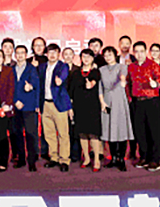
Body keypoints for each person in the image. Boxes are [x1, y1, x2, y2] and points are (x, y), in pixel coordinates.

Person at [127, 41, 160, 172]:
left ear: (146, 52)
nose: (139, 54)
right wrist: (130, 98)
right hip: (137, 102)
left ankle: (155, 159)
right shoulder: (131, 67)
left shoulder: (153, 65)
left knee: (153, 131)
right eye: (136, 51)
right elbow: (128, 84)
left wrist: (156, 84)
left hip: (151, 101)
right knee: (140, 131)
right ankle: (144, 157)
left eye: (141, 51)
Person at [98, 46, 134, 172]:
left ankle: (121, 159)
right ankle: (113, 158)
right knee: (110, 129)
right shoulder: (101, 69)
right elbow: (100, 87)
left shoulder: (122, 67)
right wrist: (102, 102)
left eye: (110, 54)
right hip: (107, 100)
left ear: (115, 55)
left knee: (121, 129)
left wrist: (123, 80)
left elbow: (123, 77)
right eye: (105, 55)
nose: (108, 57)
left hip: (119, 100)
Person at [68, 49, 104, 171]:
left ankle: (97, 160)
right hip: (79, 107)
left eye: (89, 57)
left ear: (93, 58)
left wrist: (91, 84)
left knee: (93, 134)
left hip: (93, 107)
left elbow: (94, 81)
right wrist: (70, 108)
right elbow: (71, 91)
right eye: (84, 56)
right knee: (82, 134)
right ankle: (87, 158)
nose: (86, 59)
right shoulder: (75, 73)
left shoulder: (96, 72)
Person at [40, 43, 72, 172]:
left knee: (63, 134)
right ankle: (53, 157)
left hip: (59, 104)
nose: (52, 55)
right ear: (46, 54)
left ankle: (64, 160)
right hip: (45, 104)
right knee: (49, 134)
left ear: (59, 54)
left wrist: (60, 80)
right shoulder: (42, 67)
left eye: (55, 52)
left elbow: (63, 75)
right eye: (50, 52)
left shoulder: (62, 66)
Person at [11, 44, 41, 171]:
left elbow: (37, 86)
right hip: (15, 107)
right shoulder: (11, 69)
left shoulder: (31, 68)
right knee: (17, 134)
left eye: (22, 53)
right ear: (15, 55)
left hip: (29, 106)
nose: (20, 55)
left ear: (26, 55)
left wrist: (37, 104)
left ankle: (32, 161)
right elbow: (8, 88)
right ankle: (21, 159)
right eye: (17, 53)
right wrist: (15, 101)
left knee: (31, 134)